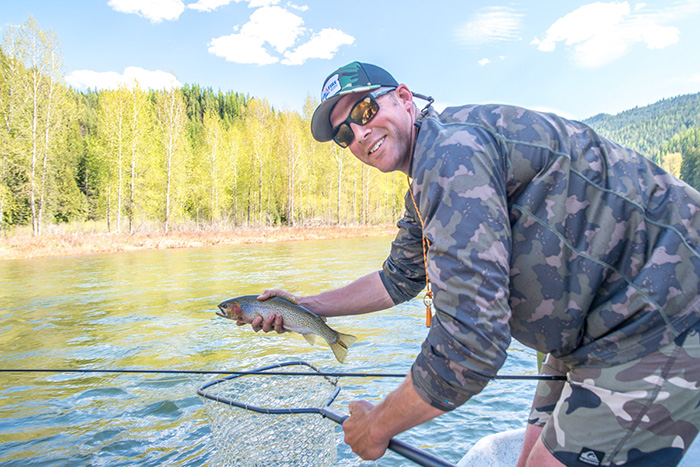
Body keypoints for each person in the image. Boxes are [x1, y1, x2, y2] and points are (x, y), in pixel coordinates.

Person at [248, 61, 700, 466]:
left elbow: (472, 344)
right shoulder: (430, 175)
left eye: (364, 111)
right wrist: (305, 307)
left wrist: (377, 426)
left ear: (404, 98)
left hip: (663, 315)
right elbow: (397, 280)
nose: (359, 133)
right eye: (345, 134)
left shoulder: (451, 155)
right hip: (587, 335)